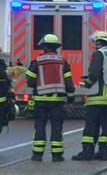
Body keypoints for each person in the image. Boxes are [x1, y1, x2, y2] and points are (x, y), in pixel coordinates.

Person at [72, 31, 107, 161]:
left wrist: (86, 84)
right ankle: (104, 151)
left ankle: (87, 151)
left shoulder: (99, 54)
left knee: (91, 126)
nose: (94, 44)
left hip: (97, 96)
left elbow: (94, 74)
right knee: (106, 125)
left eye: (95, 42)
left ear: (98, 42)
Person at [25, 34, 75, 162]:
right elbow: (69, 85)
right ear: (56, 47)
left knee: (40, 126)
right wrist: (70, 98)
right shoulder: (63, 61)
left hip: (40, 102)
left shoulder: (37, 61)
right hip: (57, 102)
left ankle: (37, 155)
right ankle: (57, 156)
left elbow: (30, 82)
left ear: (45, 47)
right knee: (57, 127)